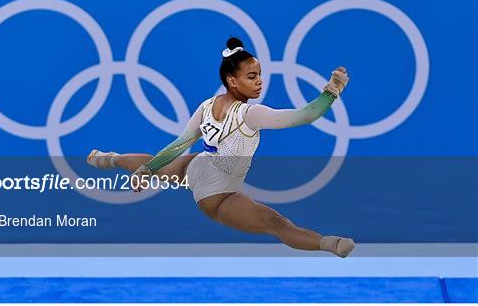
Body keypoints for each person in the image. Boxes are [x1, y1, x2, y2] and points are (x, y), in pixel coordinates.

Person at [88, 37, 354, 257]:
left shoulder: (207, 105)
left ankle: (108, 159)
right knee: (278, 224)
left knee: (159, 168)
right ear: (232, 80)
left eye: (260, 74)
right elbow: (305, 116)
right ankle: (329, 243)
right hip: (218, 198)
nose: (259, 81)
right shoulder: (250, 114)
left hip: (195, 166)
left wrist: (147, 168)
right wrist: (331, 91)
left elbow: (178, 145)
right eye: (251, 76)